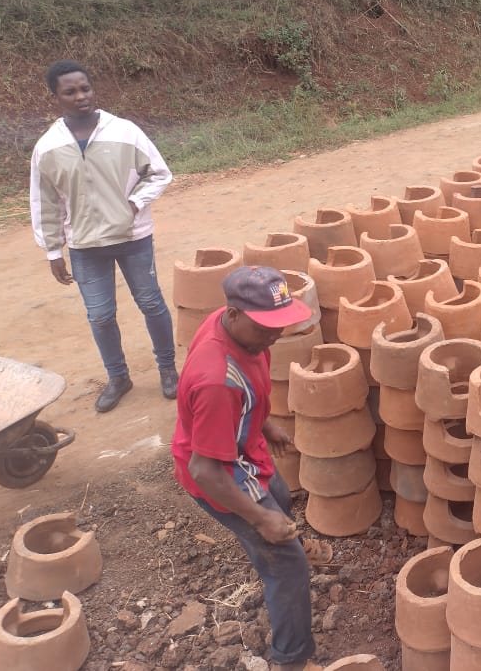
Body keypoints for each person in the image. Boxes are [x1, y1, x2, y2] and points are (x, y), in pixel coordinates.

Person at [172, 265, 316, 671]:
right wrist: (259, 518)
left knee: (281, 496)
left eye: (280, 323)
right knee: (287, 566)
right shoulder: (218, 382)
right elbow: (205, 471)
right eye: (266, 326)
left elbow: (246, 388)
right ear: (234, 314)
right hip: (222, 471)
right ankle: (293, 660)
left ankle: (279, 535)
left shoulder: (231, 327)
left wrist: (263, 423)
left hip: (239, 447)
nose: (275, 334)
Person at [29, 59, 178, 412]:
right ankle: (118, 377)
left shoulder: (124, 132)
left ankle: (168, 369)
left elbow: (159, 173)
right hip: (85, 246)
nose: (81, 96)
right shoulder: (47, 148)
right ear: (55, 97)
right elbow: (45, 202)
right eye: (70, 92)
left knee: (151, 303)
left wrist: (134, 203)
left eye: (85, 88)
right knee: (99, 315)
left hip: (133, 237)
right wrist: (53, 250)